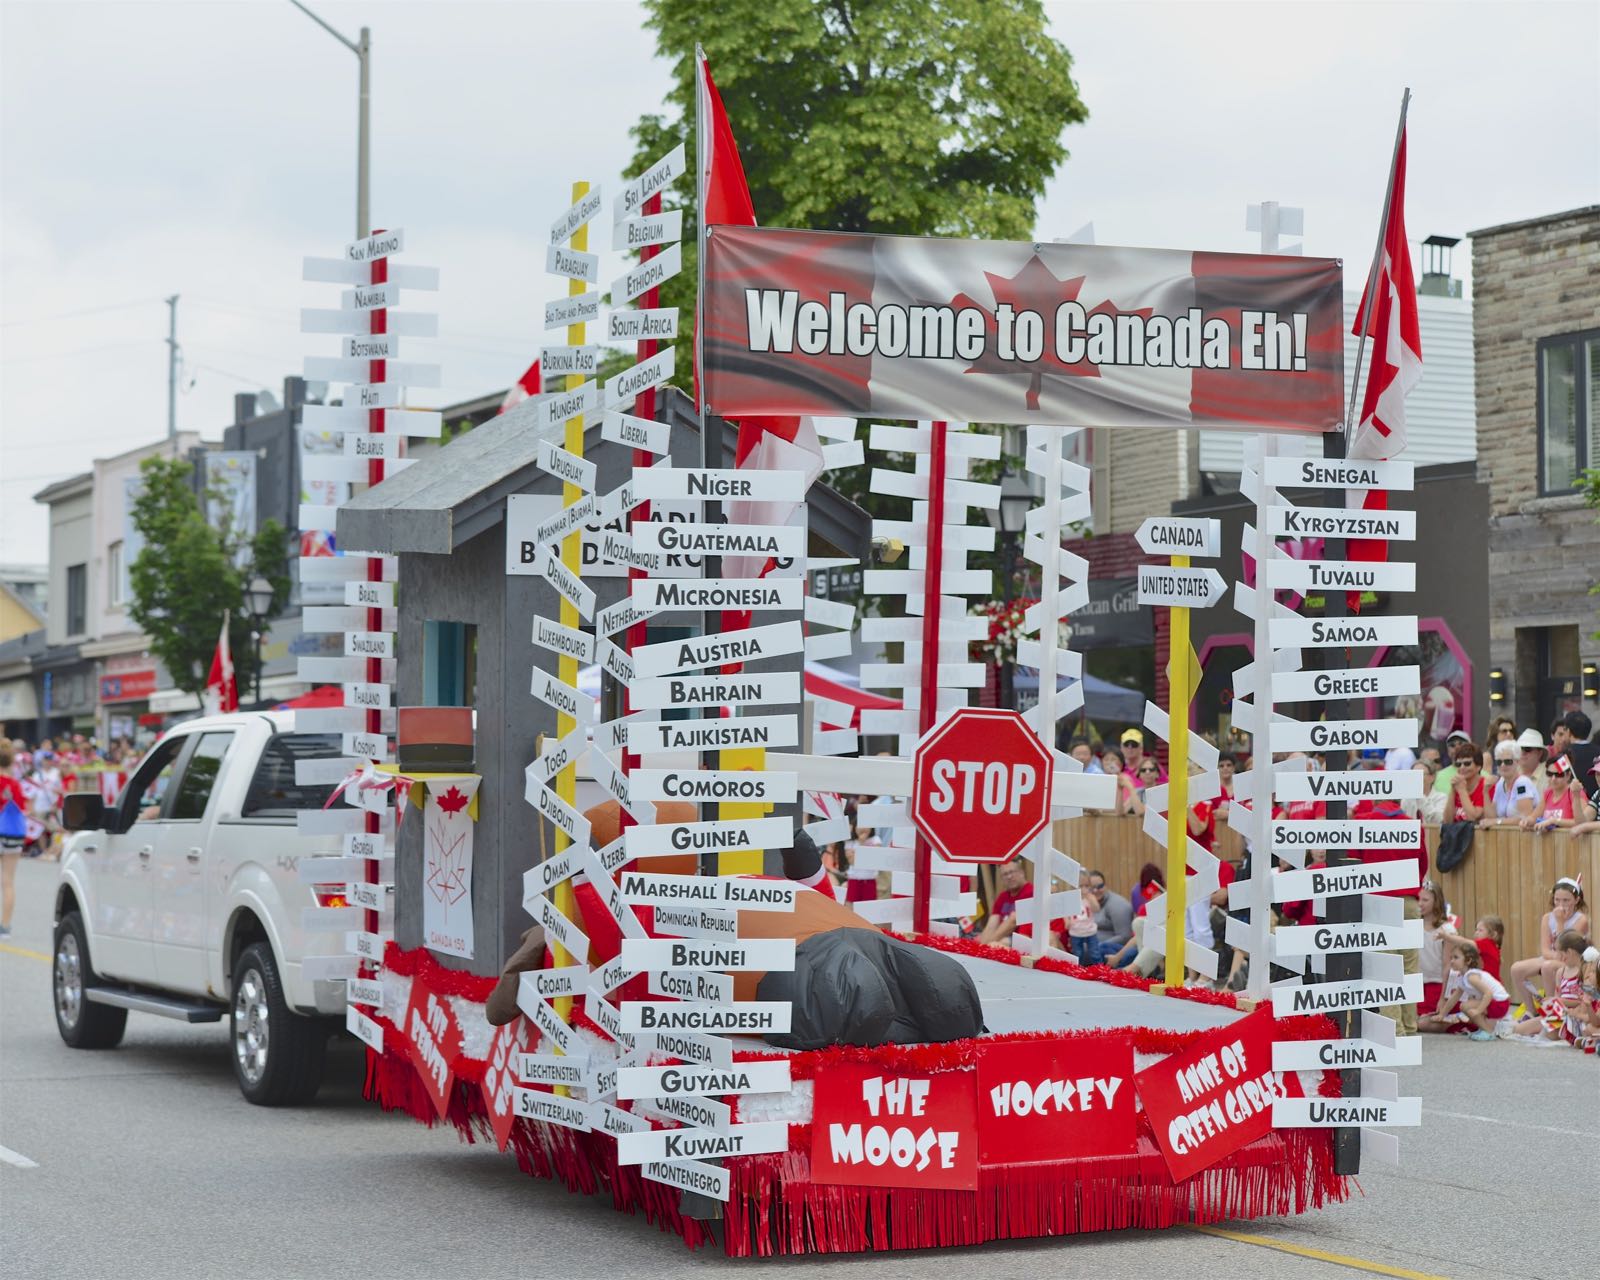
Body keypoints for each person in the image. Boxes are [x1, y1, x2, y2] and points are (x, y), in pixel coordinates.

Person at [1351, 793, 1429, 1035]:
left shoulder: (1363, 823)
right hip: (1407, 900)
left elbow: (1353, 861)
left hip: (1377, 901)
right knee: (1409, 966)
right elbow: (1422, 863)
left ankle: (1395, 1030)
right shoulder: (1412, 825)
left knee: (1385, 969)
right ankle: (1410, 1027)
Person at [1508, 878, 1589, 1019]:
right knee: (1516, 969)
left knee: (1547, 967)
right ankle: (1531, 1010)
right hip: (1553, 956)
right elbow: (1545, 950)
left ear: (1576, 900)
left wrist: (1560, 922)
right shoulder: (1547, 918)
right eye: (1557, 900)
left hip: (1572, 961)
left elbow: (1566, 946)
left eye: (1566, 900)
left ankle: (1551, 1009)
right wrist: (1555, 955)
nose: (1561, 905)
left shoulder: (1581, 920)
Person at [1420, 940, 1511, 1040]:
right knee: (1466, 1006)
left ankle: (1488, 1031)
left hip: (1500, 1004)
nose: (1452, 961)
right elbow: (1454, 998)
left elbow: (1488, 993)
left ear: (1468, 960)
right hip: (1496, 1003)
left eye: (1456, 957)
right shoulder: (1463, 977)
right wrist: (1442, 1015)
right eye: (1451, 958)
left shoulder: (1471, 976)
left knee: (1465, 1006)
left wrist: (1478, 1011)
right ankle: (1484, 1029)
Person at [1509, 929, 1587, 1042]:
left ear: (1569, 953)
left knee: (1549, 1032)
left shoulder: (1584, 972)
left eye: (1559, 953)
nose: (1557, 957)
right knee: (1518, 1029)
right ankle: (1544, 1030)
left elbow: (1585, 1002)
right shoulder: (1561, 972)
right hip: (1560, 1015)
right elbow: (1557, 999)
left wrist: (1560, 1001)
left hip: (1577, 1017)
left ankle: (1556, 1032)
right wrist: (1547, 1002)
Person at [1416, 883, 1458, 1017]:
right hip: (1417, 984)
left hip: (1438, 985)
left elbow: (1448, 966)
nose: (1420, 904)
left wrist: (1443, 998)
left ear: (1436, 902)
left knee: (1425, 1020)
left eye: (1425, 900)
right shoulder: (1413, 926)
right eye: (1418, 899)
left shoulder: (1447, 930)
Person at [0, 745, 28, 938]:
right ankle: (5, 926)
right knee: (8, 881)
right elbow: (22, 807)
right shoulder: (15, 784)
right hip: (13, 833)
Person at [1484, 738, 1540, 828]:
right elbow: (1491, 817)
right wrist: (1485, 792)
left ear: (1517, 762)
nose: (1503, 765)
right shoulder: (1500, 783)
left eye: (1508, 761)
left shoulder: (1522, 783)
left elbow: (1525, 818)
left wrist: (1497, 821)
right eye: (1499, 762)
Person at [978, 857, 1032, 946]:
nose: (1009, 877)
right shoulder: (1002, 897)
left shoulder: (1031, 891)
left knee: (998, 944)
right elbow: (991, 924)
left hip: (1025, 938)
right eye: (1005, 874)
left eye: (1012, 872)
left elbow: (1013, 920)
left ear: (1021, 873)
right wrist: (981, 943)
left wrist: (987, 945)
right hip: (1003, 937)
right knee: (979, 939)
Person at [1087, 868, 1133, 961]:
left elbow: (1124, 936)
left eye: (1100, 886)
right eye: (1092, 888)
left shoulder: (1118, 905)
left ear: (1105, 886)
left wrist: (1096, 946)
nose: (1095, 890)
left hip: (1113, 952)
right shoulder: (1088, 901)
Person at [1530, 754, 1582, 831]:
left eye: (1558, 775)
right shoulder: (1547, 793)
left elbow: (1582, 822)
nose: (1553, 778)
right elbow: (1533, 818)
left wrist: (1554, 821)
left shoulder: (1575, 792)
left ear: (1568, 775)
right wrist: (1526, 821)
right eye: (1550, 774)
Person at [1443, 739, 1487, 823]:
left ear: (1478, 766)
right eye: (1458, 764)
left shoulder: (1486, 785)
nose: (1462, 767)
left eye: (1467, 763)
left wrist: (1462, 791)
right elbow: (1447, 821)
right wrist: (1452, 790)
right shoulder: (1458, 785)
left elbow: (1473, 818)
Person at [1101, 748, 1138, 815]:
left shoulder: (1126, 779)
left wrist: (1100, 810)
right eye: (1106, 759)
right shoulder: (1099, 779)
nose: (1109, 762)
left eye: (1113, 759)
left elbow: (1125, 805)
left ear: (1121, 763)